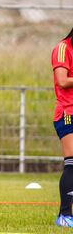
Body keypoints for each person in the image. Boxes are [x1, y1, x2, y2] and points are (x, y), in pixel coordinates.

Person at [52, 28, 73, 228]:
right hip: (68, 113)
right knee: (72, 162)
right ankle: (65, 216)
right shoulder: (62, 48)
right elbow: (62, 81)